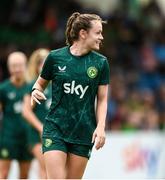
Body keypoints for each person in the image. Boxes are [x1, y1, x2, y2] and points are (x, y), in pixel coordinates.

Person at [31, 12, 110, 179]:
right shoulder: (55, 57)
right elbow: (39, 84)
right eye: (98, 32)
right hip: (55, 128)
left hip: (83, 132)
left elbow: (102, 99)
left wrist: (101, 126)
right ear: (83, 33)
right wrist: (36, 90)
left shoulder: (101, 63)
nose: (101, 37)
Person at [0, 52, 33, 179]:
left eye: (20, 65)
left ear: (25, 66)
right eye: (14, 66)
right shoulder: (3, 89)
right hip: (8, 138)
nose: (17, 69)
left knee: (24, 176)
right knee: (3, 174)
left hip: (26, 138)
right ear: (9, 68)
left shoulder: (31, 87)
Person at [22, 48, 51, 178]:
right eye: (40, 63)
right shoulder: (33, 86)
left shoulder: (54, 85)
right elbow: (26, 111)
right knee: (45, 166)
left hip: (53, 133)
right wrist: (40, 128)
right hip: (37, 134)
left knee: (49, 169)